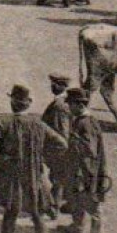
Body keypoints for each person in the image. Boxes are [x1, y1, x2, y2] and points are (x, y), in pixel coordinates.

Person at [0, 84, 68, 233]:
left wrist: (0, 158)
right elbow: (61, 143)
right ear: (28, 104)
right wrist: (42, 156)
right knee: (38, 217)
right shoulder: (39, 124)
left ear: (12, 102)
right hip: (34, 177)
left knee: (10, 216)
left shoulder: (4, 123)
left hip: (13, 178)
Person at [63, 87, 108, 233]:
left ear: (79, 105)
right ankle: (77, 227)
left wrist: (74, 143)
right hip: (81, 169)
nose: (68, 107)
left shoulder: (85, 123)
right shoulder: (82, 119)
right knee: (76, 198)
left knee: (94, 209)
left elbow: (90, 151)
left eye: (71, 104)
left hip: (88, 172)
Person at [41, 74, 74, 210]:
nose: (52, 86)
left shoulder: (59, 106)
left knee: (57, 177)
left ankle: (54, 207)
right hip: (60, 147)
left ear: (63, 86)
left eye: (56, 84)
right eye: (52, 83)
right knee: (60, 176)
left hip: (59, 148)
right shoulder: (62, 103)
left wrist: (61, 151)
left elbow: (62, 131)